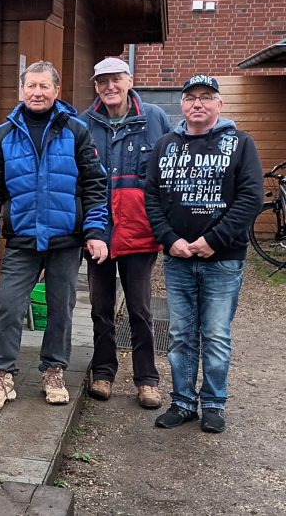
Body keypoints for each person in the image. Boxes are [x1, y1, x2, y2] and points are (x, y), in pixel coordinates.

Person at [0, 61, 108, 410]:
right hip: (22, 238)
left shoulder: (77, 131)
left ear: (56, 91)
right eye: (31, 86)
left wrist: (95, 231)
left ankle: (54, 370)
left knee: (61, 308)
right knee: (7, 306)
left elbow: (95, 185)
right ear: (21, 90)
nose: (37, 92)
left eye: (44, 86)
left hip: (66, 238)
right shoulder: (2, 135)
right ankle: (2, 375)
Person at [146, 75, 262, 434]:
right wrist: (169, 239)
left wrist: (214, 239)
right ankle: (182, 403)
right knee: (181, 334)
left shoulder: (241, 144)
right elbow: (151, 197)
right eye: (191, 97)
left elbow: (250, 198)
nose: (198, 103)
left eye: (206, 97)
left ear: (219, 104)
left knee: (215, 335)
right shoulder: (165, 144)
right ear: (182, 105)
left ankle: (213, 404)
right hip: (178, 259)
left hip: (223, 259)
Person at [79, 57, 171, 410]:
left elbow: (166, 176)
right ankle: (103, 372)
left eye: (116, 79)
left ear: (130, 80)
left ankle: (147, 379)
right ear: (96, 86)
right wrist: (89, 229)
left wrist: (163, 226)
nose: (110, 87)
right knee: (101, 308)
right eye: (102, 81)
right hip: (99, 231)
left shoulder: (154, 118)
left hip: (139, 231)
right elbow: (80, 180)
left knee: (140, 309)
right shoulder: (85, 123)